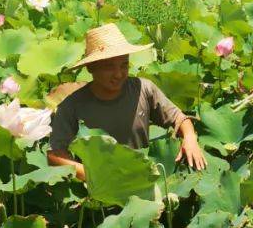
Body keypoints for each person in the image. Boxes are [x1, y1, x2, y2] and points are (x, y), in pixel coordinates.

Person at [47, 23, 206, 181]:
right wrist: (91, 175)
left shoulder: (143, 89)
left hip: (142, 180)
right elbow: (54, 155)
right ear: (90, 67)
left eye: (124, 65)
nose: (118, 74)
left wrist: (190, 137)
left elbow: (179, 117)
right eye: (109, 67)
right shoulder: (71, 106)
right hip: (97, 190)